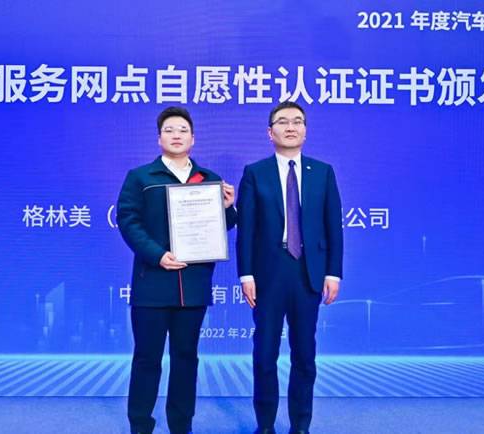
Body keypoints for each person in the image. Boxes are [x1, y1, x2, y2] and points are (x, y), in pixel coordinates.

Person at [117, 106, 237, 434]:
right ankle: (140, 425)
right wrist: (157, 254)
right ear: (159, 138)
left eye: (183, 130)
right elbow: (128, 221)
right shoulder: (141, 177)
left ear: (193, 138)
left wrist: (228, 208)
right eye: (169, 130)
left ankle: (181, 426)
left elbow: (220, 228)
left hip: (194, 286)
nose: (176, 135)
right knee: (147, 359)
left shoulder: (209, 180)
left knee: (186, 359)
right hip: (152, 284)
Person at [236, 101, 343, 434]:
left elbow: (333, 227)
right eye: (283, 122)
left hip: (308, 272)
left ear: (305, 131)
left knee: (305, 355)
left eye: (298, 121)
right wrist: (246, 273)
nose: (291, 127)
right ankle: (265, 426)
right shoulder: (255, 173)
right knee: (265, 354)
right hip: (269, 272)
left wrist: (333, 272)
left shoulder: (322, 172)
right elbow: (246, 229)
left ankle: (300, 426)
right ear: (270, 132)